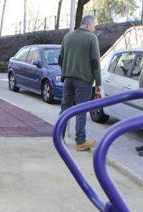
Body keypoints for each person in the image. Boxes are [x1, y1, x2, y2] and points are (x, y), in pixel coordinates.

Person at [58, 15, 101, 151]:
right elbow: (95, 62)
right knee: (81, 110)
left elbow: (60, 59)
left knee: (65, 108)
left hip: (68, 78)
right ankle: (80, 141)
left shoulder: (67, 37)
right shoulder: (91, 38)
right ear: (88, 25)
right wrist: (98, 83)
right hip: (84, 80)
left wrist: (67, 70)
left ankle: (58, 137)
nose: (94, 29)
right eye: (94, 26)